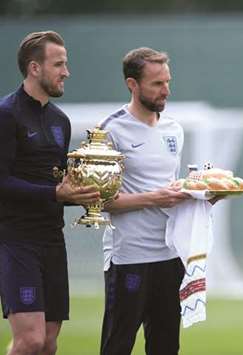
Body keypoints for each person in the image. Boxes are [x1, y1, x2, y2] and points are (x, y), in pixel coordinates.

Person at [0, 31, 100, 355]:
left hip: (52, 241)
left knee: (48, 344)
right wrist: (56, 194)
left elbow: (58, 185)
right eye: (59, 64)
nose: (66, 72)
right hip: (16, 240)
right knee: (29, 340)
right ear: (34, 68)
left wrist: (81, 194)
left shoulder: (61, 121)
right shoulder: (6, 114)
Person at [99, 47, 192, 355]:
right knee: (118, 345)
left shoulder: (174, 130)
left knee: (166, 346)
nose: (166, 90)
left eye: (167, 81)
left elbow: (171, 189)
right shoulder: (109, 131)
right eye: (156, 83)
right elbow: (102, 201)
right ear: (132, 84)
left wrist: (201, 196)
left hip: (169, 256)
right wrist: (154, 198)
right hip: (129, 259)